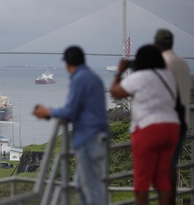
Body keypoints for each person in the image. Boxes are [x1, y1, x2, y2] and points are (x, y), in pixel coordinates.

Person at [33, 45, 109, 205]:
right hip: (99, 136)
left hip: (89, 139)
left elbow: (70, 111)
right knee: (82, 184)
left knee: (91, 188)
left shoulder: (79, 79)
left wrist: (49, 111)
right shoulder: (94, 78)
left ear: (67, 63)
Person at [110, 44, 180, 205]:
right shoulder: (169, 75)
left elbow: (116, 92)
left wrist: (120, 71)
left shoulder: (139, 77)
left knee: (142, 179)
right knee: (163, 177)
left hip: (148, 129)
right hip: (171, 128)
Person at [154, 28, 191, 205]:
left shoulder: (163, 63)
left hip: (167, 123)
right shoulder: (183, 63)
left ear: (157, 44)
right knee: (172, 167)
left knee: (164, 170)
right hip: (183, 123)